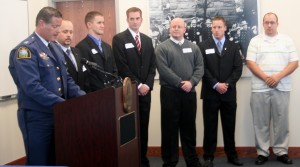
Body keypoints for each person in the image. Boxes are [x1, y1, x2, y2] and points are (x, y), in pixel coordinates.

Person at [8, 7, 85, 165]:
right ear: (41, 23)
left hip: (58, 115)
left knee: (58, 159)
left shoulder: (55, 47)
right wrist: (63, 105)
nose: (58, 31)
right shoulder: (25, 50)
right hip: (37, 117)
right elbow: (32, 87)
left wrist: (84, 99)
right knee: (40, 161)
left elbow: (66, 79)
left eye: (59, 26)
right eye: (55, 27)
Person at [246, 12, 298, 165]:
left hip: (282, 87)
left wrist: (277, 77)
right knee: (260, 122)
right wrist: (266, 78)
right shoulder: (255, 41)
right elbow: (250, 62)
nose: (269, 25)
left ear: (277, 23)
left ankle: (281, 152)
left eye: (272, 22)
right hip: (259, 88)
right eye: (266, 22)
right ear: (263, 24)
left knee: (281, 122)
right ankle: (262, 153)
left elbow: (294, 63)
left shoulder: (287, 40)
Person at [155, 17, 203, 167]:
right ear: (169, 29)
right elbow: (163, 69)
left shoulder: (194, 47)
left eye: (179, 26)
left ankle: (192, 160)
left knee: (189, 127)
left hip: (189, 92)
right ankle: (170, 161)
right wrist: (181, 83)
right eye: (173, 26)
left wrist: (191, 82)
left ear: (185, 29)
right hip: (170, 93)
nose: (176, 29)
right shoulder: (162, 48)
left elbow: (200, 68)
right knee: (169, 128)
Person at [112, 7, 156, 167]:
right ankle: (131, 160)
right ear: (127, 19)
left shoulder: (147, 40)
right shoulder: (119, 39)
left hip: (146, 93)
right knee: (130, 129)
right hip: (130, 91)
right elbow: (122, 66)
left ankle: (143, 159)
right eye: (132, 18)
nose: (135, 21)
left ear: (141, 20)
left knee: (143, 127)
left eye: (137, 18)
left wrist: (147, 85)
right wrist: (138, 85)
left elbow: (152, 65)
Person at [197, 16, 243, 167]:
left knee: (229, 126)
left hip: (228, 93)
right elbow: (202, 69)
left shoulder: (234, 46)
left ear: (225, 28)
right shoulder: (203, 46)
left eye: (219, 27)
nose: (216, 30)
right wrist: (216, 84)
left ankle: (232, 155)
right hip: (210, 93)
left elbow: (238, 69)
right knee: (210, 126)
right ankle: (208, 157)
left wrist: (227, 84)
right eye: (213, 27)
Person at [76, 11, 118, 91]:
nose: (102, 26)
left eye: (103, 23)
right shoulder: (81, 47)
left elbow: (114, 69)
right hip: (95, 94)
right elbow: (86, 75)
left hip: (111, 92)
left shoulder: (107, 47)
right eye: (99, 23)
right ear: (89, 25)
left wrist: (113, 86)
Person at [56, 20, 89, 92]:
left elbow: (84, 75)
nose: (69, 35)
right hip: (65, 98)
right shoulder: (54, 52)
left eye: (71, 32)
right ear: (57, 32)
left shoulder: (77, 51)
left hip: (81, 96)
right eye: (65, 32)